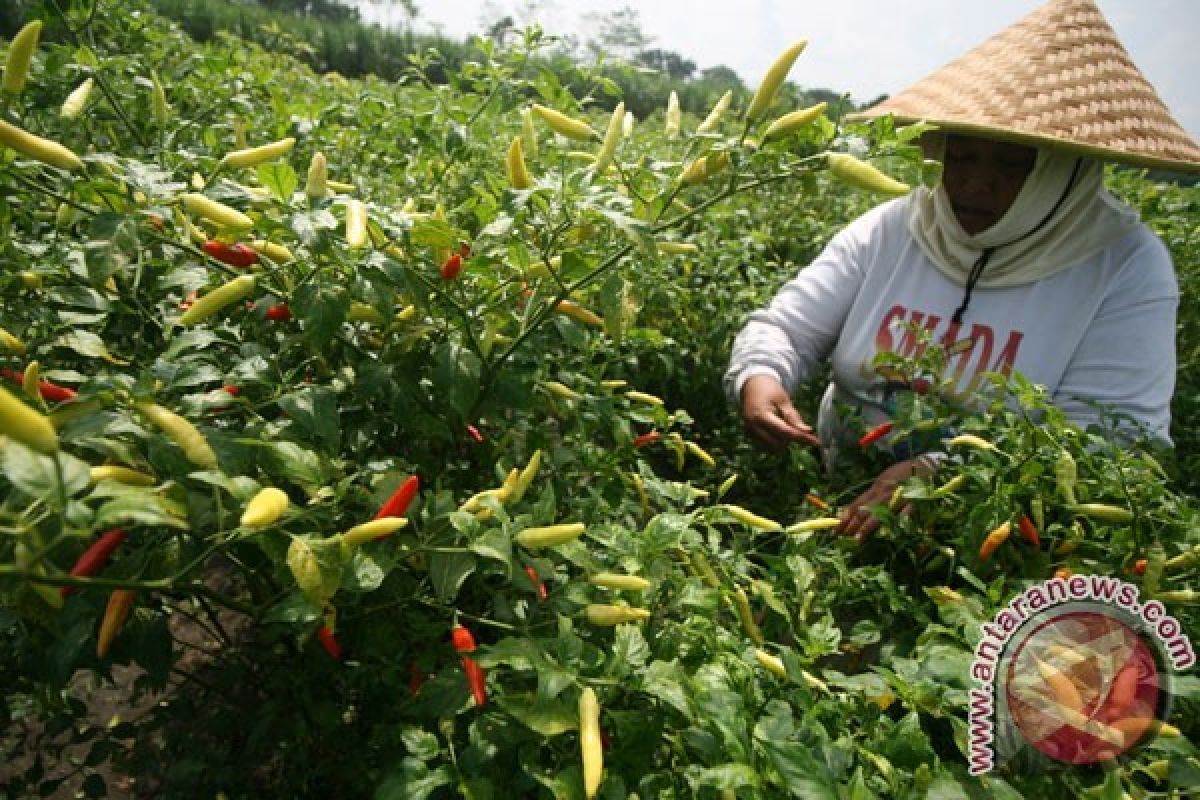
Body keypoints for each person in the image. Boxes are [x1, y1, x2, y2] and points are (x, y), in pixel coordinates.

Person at [724, 0, 1200, 540]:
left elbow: (1110, 442)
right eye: (962, 157)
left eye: (1011, 164)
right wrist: (761, 374)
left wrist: (943, 476)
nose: (975, 184)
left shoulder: (1122, 266)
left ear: (1062, 170)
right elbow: (785, 326)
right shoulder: (899, 227)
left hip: (1001, 539)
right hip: (838, 503)